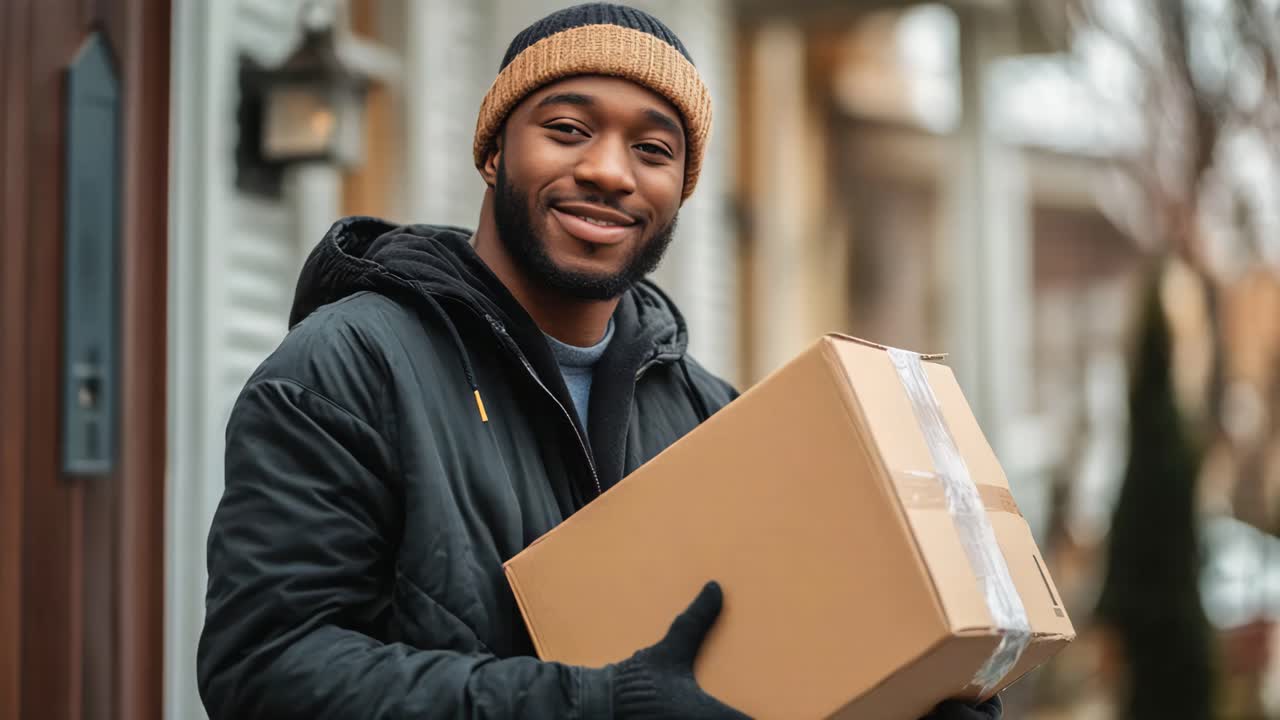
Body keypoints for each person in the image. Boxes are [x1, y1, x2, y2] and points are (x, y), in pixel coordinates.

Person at [197, 4, 1004, 719]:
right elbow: (265, 670)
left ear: (680, 189)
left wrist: (905, 695)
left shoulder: (708, 414)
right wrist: (594, 704)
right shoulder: (345, 369)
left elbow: (761, 660)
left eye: (652, 149)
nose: (609, 172)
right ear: (493, 152)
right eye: (567, 129)